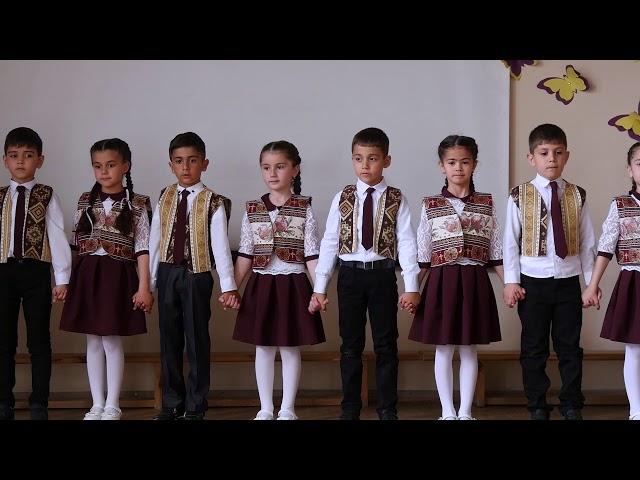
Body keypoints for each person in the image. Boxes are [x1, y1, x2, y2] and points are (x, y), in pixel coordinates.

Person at [309, 127, 420, 420]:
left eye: (372, 159)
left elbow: (408, 243)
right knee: (350, 346)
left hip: (382, 276)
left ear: (387, 160)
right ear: (352, 160)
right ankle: (350, 409)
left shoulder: (397, 199)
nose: (365, 165)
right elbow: (330, 242)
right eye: (358, 159)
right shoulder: (342, 197)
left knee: (386, 345)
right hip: (349, 277)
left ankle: (387, 409)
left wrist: (412, 286)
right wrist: (320, 287)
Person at [503, 123, 596, 420]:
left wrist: (590, 284)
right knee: (534, 347)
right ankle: (537, 405)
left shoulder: (577, 195)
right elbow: (509, 243)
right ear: (532, 158)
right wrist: (511, 282)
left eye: (557, 153)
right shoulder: (519, 195)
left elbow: (588, 243)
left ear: (566, 156)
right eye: (544, 153)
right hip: (533, 283)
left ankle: (571, 404)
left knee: (570, 347)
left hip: (568, 281)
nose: (551, 159)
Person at [408, 135, 504, 420]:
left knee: (469, 346)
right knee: (444, 346)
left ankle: (465, 412)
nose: (458, 168)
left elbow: (497, 252)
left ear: (475, 164)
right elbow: (423, 255)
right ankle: (447, 411)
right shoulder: (431, 205)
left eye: (464, 162)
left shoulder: (487, 204)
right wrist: (413, 289)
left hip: (474, 281)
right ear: (441, 166)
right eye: (451, 162)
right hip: (441, 282)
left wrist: (510, 284)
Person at [149, 132, 240, 420]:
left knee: (197, 339)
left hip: (197, 275)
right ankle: (172, 402)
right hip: (166, 273)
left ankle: (196, 404)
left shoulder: (214, 202)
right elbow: (154, 241)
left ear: (204, 163)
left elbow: (221, 248)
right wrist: (149, 283)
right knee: (169, 338)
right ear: (171, 165)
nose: (185, 167)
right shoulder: (164, 196)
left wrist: (228, 287)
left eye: (192, 161)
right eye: (179, 162)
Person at [60, 138, 153, 420]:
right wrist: (65, 281)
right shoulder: (84, 201)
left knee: (111, 340)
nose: (104, 172)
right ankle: (96, 403)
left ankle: (113, 403)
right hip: (88, 276)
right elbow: (76, 245)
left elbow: (144, 248)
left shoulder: (138, 204)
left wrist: (144, 287)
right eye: (97, 166)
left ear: (125, 166)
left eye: (111, 165)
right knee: (92, 340)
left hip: (118, 276)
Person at [233, 140, 325, 420]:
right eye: (266, 167)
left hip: (294, 283)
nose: (272, 173)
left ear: (294, 170)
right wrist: (231, 288)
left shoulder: (304, 207)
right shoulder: (252, 209)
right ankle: (265, 407)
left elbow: (311, 254)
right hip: (261, 284)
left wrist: (318, 290)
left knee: (289, 345)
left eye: (280, 167)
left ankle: (287, 408)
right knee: (263, 346)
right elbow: (246, 253)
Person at [0, 127, 71, 421]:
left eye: (28, 156)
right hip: (3, 273)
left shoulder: (46, 195)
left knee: (39, 341)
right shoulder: (1, 196)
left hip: (37, 273)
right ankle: (4, 401)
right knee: (3, 341)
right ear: (5, 160)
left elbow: (56, 235)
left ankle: (39, 402)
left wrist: (62, 278)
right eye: (14, 156)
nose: (21, 162)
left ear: (39, 160)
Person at [582, 141, 640, 420]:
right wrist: (592, 285)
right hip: (634, 284)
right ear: (630, 169)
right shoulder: (620, 205)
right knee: (635, 348)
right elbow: (606, 247)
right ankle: (636, 411)